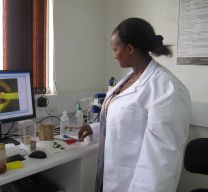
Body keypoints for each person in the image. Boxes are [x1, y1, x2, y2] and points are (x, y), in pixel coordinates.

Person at [78, 18, 191, 192]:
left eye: (115, 49)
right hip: (110, 177)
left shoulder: (167, 88)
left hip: (133, 185)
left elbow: (161, 163)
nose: (114, 55)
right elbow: (128, 122)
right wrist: (96, 127)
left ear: (129, 49)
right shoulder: (129, 77)